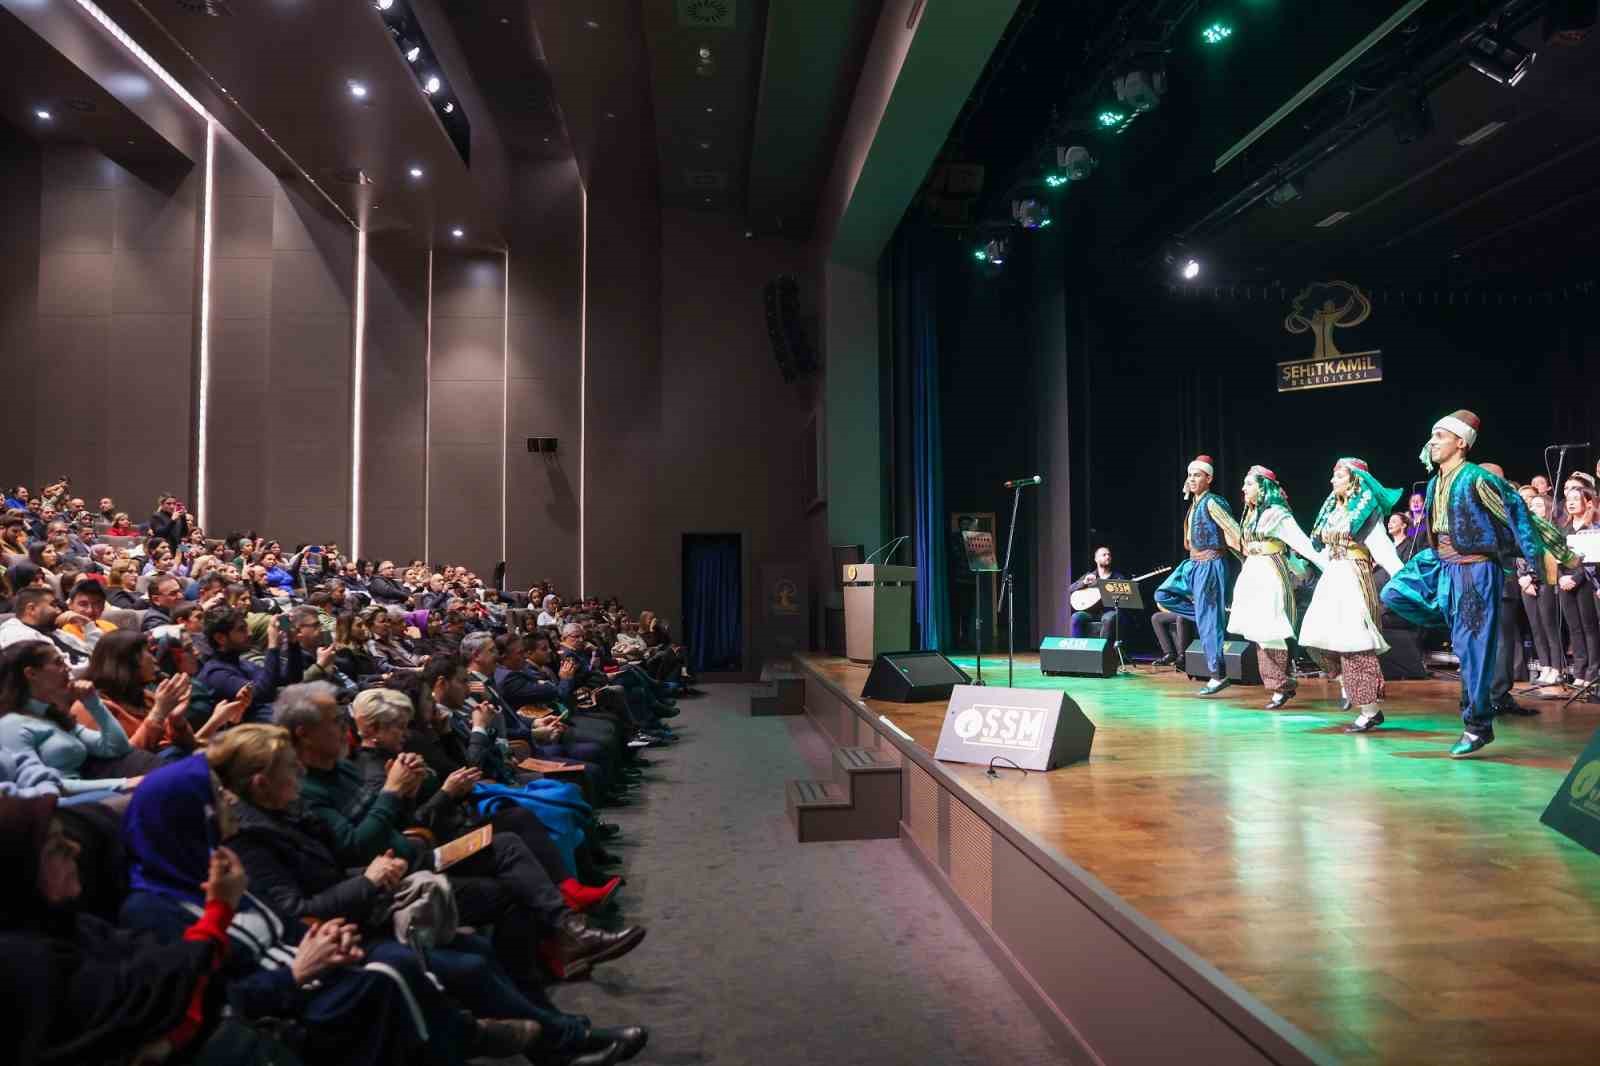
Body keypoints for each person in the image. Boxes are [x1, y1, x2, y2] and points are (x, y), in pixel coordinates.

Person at [207, 725, 645, 1065]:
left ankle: (559, 1024)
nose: (299, 773)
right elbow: (303, 905)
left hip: (393, 876)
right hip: (348, 928)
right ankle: (563, 1033)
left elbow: (350, 850)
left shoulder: (290, 805)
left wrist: (403, 823)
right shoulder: (254, 835)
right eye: (290, 768)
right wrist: (382, 840)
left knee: (495, 893)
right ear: (262, 782)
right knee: (471, 956)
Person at [0, 791, 252, 1065]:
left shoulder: (73, 923)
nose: (76, 848)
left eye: (66, 838)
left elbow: (167, 971)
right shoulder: (23, 965)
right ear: (19, 873)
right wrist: (218, 911)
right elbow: (154, 997)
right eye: (55, 848)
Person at [1382, 410, 1564, 756]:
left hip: (1475, 568)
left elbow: (1516, 514)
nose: (1431, 443)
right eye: (1432, 436)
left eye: (1440, 437)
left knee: (1472, 650)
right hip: (1441, 564)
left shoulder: (1477, 478)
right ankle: (1450, 620)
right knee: (1393, 592)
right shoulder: (1435, 482)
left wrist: (1534, 561)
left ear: (1461, 442)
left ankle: (1478, 726)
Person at [1297, 458, 1404, 732]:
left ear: (1355, 481)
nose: (1333, 481)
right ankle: (1350, 686)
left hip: (1353, 578)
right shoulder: (1333, 512)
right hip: (1332, 577)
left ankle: (1369, 710)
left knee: (1354, 643)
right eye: (1333, 476)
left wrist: (1405, 583)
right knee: (1315, 638)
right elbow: (1320, 551)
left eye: (1339, 476)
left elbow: (1384, 553)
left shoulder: (1367, 515)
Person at [1226, 466, 1325, 709]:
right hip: (1253, 572)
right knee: (1259, 631)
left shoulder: (1277, 514)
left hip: (1270, 572)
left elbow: (1302, 544)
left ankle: (1283, 684)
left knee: (1271, 628)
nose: (1243, 488)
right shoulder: (1251, 515)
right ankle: (1279, 684)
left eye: (1249, 484)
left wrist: (1328, 565)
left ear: (1262, 488)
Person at [0, 642, 147, 797]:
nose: (68, 668)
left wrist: (93, 703)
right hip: (58, 807)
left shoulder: (53, 715)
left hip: (87, 795)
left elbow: (116, 747)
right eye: (58, 663)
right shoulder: (10, 724)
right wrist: (122, 784)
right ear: (31, 674)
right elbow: (39, 785)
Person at [1155, 455, 1241, 695]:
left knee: (1208, 617)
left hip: (1211, 564)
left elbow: (1232, 529)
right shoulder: (1195, 503)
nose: (1192, 479)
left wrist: (1248, 555)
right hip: (1192, 564)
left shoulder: (1213, 502)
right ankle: (1210, 618)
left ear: (1209, 478)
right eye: (1190, 475)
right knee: (1163, 595)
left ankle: (1217, 674)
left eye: (1197, 475)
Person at [1520, 492, 1568, 685]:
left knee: (1549, 626)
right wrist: (1523, 577)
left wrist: (1533, 577)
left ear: (1548, 509)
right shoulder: (1525, 531)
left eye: (1539, 505)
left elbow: (1552, 559)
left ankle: (1557, 668)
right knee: (1536, 627)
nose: (1534, 509)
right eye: (1532, 506)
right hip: (1526, 583)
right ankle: (1545, 666)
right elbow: (1519, 556)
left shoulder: (1553, 531)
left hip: (1546, 581)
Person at [1557, 482, 1600, 689]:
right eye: (1569, 500)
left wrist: (1575, 578)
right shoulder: (1563, 529)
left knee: (1589, 628)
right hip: (1564, 582)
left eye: (1576, 499)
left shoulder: (1593, 529)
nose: (1571, 503)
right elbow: (1556, 556)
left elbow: (1590, 560)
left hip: (1584, 583)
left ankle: (1592, 672)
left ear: (1587, 502)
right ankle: (1579, 671)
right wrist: (1561, 577)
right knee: (1574, 628)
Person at [1068, 546, 1128, 640]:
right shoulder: (1090, 576)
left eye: (1109, 555)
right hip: (1091, 612)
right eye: (1104, 555)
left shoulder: (1118, 577)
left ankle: (1102, 651)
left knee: (1108, 618)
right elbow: (1070, 589)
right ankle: (1078, 651)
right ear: (1096, 559)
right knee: (1076, 617)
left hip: (1109, 611)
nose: (1107, 557)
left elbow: (1126, 599)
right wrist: (1084, 582)